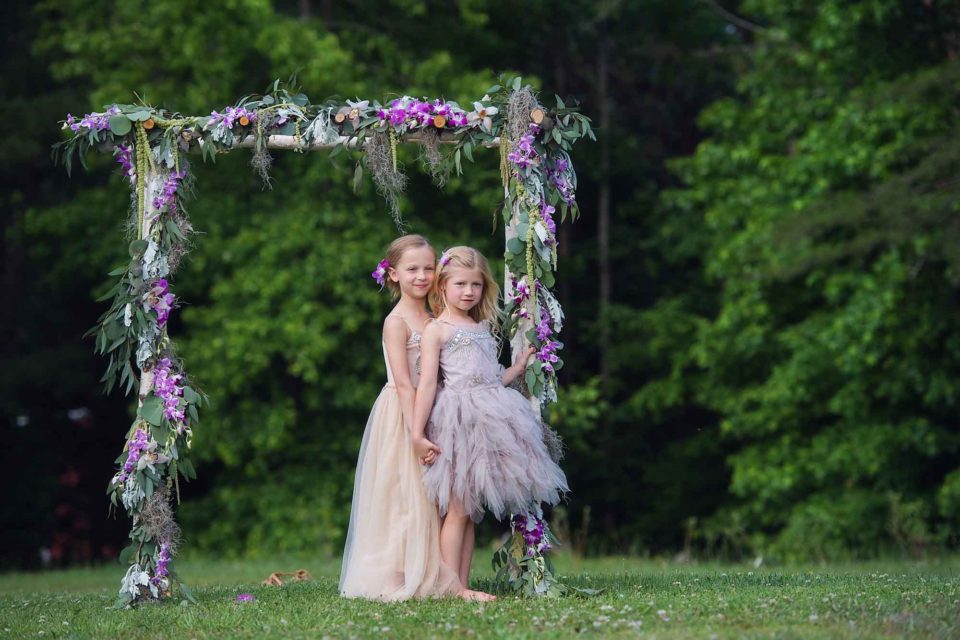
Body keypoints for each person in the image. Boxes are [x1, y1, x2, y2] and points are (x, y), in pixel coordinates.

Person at [413, 246, 568, 598]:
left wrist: (517, 368)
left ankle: (460, 583)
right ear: (442, 286)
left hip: (492, 414)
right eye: (460, 284)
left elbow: (490, 376)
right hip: (458, 421)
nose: (469, 292)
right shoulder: (438, 330)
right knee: (456, 507)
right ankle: (450, 586)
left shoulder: (481, 326)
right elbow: (426, 385)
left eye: (476, 285)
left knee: (468, 509)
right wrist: (417, 432)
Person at [339, 234, 462, 601]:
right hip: (404, 415)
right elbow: (406, 385)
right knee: (403, 496)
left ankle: (440, 573)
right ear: (393, 274)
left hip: (437, 407)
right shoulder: (396, 322)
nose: (422, 276)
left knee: (434, 498)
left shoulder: (436, 315)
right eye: (412, 269)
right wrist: (416, 432)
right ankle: (397, 574)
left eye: (428, 268)